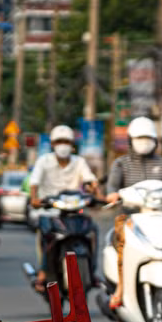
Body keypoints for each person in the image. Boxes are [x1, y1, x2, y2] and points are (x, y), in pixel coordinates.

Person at [104, 116, 162, 308]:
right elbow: (112, 187)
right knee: (122, 244)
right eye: (139, 138)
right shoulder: (121, 164)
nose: (144, 142)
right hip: (130, 217)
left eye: (148, 138)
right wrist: (112, 195)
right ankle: (121, 289)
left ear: (155, 141)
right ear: (130, 140)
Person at [28, 124, 100, 292]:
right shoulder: (43, 161)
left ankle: (92, 270)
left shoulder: (79, 162)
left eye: (66, 141)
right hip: (50, 211)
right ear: (52, 144)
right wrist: (34, 198)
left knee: (92, 231)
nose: (63, 145)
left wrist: (93, 190)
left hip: (75, 211)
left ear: (72, 144)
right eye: (59, 141)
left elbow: (90, 180)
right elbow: (34, 182)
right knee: (46, 236)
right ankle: (44, 272)